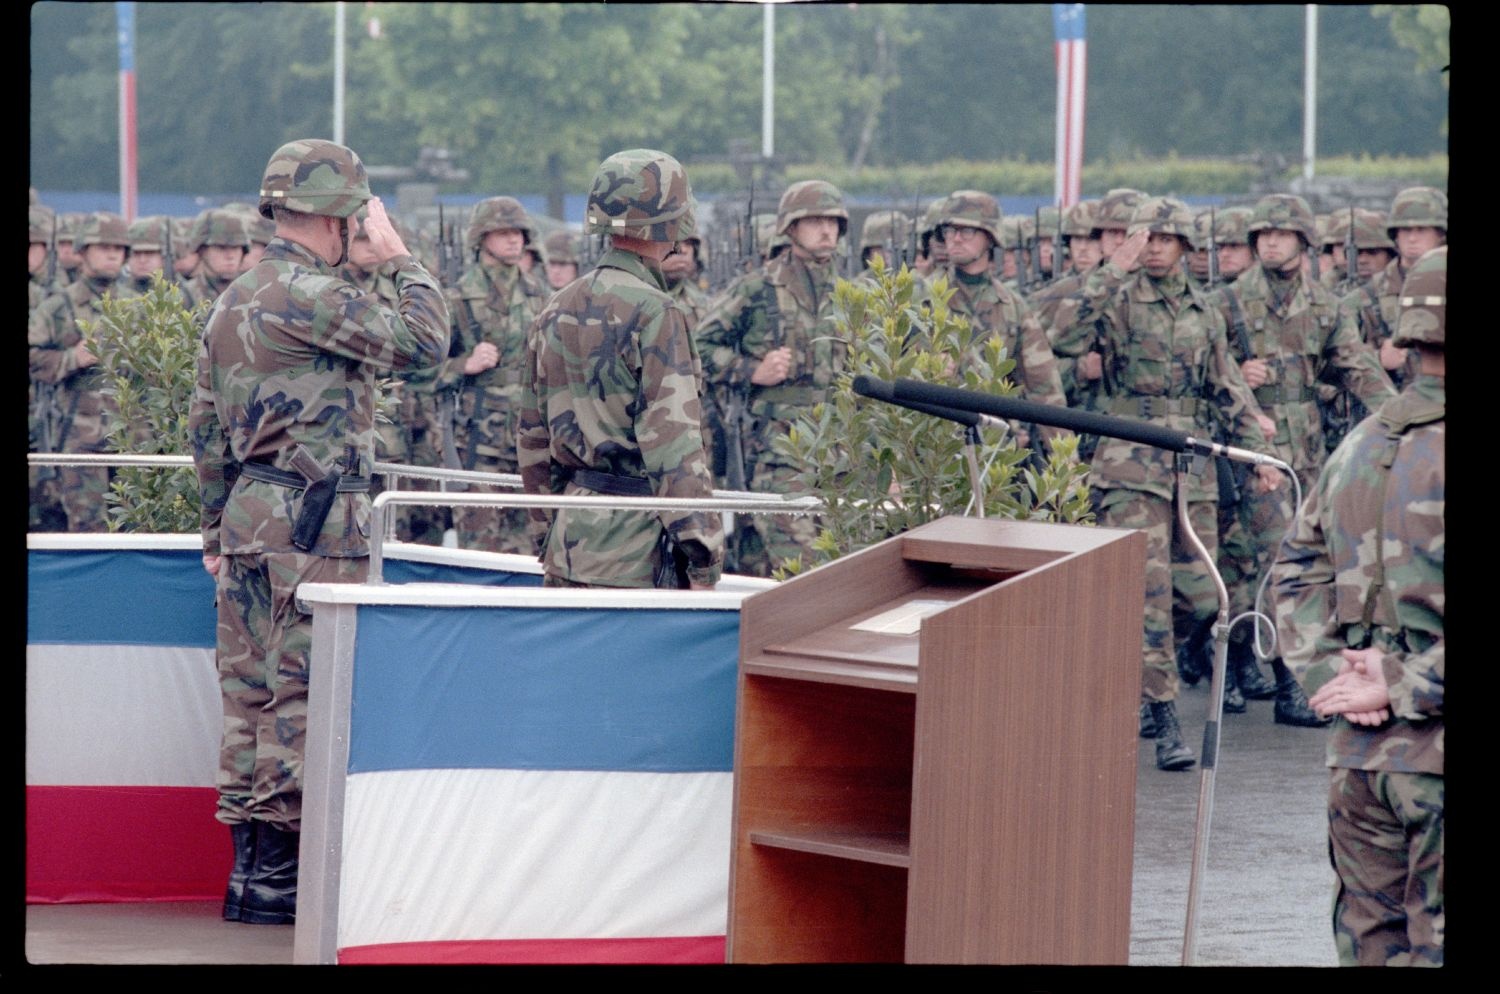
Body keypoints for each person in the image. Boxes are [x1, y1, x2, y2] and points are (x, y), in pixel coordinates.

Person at [189, 138, 449, 925]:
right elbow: (426, 346)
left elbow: (205, 427)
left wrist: (212, 528)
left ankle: (249, 882)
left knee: (251, 700)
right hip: (316, 523)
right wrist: (400, 259)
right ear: (336, 216)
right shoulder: (310, 295)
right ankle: (282, 887)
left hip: (249, 520)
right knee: (305, 700)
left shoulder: (236, 296)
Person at [1049, 196, 1283, 771]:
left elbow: (1228, 388)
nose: (1152, 247)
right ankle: (1167, 721)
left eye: (1163, 238)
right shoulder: (1115, 296)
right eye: (1143, 238)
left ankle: (1133, 676)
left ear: (1183, 246)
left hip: (1191, 471)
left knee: (1204, 596)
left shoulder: (1204, 309)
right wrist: (1112, 269)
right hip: (1130, 465)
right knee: (1147, 598)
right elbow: (1062, 334)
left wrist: (1262, 454)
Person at [1272, 246, 1444, 966]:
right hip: (1434, 754)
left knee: (1371, 949)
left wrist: (1335, 682)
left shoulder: (1357, 445)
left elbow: (1293, 573)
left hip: (1359, 761)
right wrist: (1399, 683)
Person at [1209, 194, 1397, 725]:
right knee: (1270, 561)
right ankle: (1287, 678)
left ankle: (1259, 660)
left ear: (1303, 241)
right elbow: (1204, 371)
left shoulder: (1323, 305)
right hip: (1250, 454)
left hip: (1308, 454)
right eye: (1262, 233)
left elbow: (1357, 367)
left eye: (1282, 233)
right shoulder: (1227, 303)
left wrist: (1400, 416)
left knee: (1303, 563)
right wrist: (1236, 375)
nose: (1270, 240)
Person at [517, 147, 723, 590]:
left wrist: (546, 533)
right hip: (637, 553)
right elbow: (675, 446)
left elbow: (532, 439)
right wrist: (703, 556)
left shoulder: (555, 307)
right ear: (672, 220)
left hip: (569, 544)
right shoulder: (657, 312)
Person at [695, 179, 849, 576]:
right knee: (804, 570)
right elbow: (698, 347)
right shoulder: (758, 287)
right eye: (814, 220)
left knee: (842, 568)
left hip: (842, 460)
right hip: (779, 456)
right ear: (791, 228)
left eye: (832, 220)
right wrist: (752, 370)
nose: (826, 229)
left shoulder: (854, 293)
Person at [29, 211, 133, 532]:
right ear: (82, 251)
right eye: (103, 246)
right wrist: (71, 358)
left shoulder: (138, 305)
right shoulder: (59, 307)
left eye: (119, 247)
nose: (113, 253)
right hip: (79, 436)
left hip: (133, 438)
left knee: (141, 527)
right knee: (89, 528)